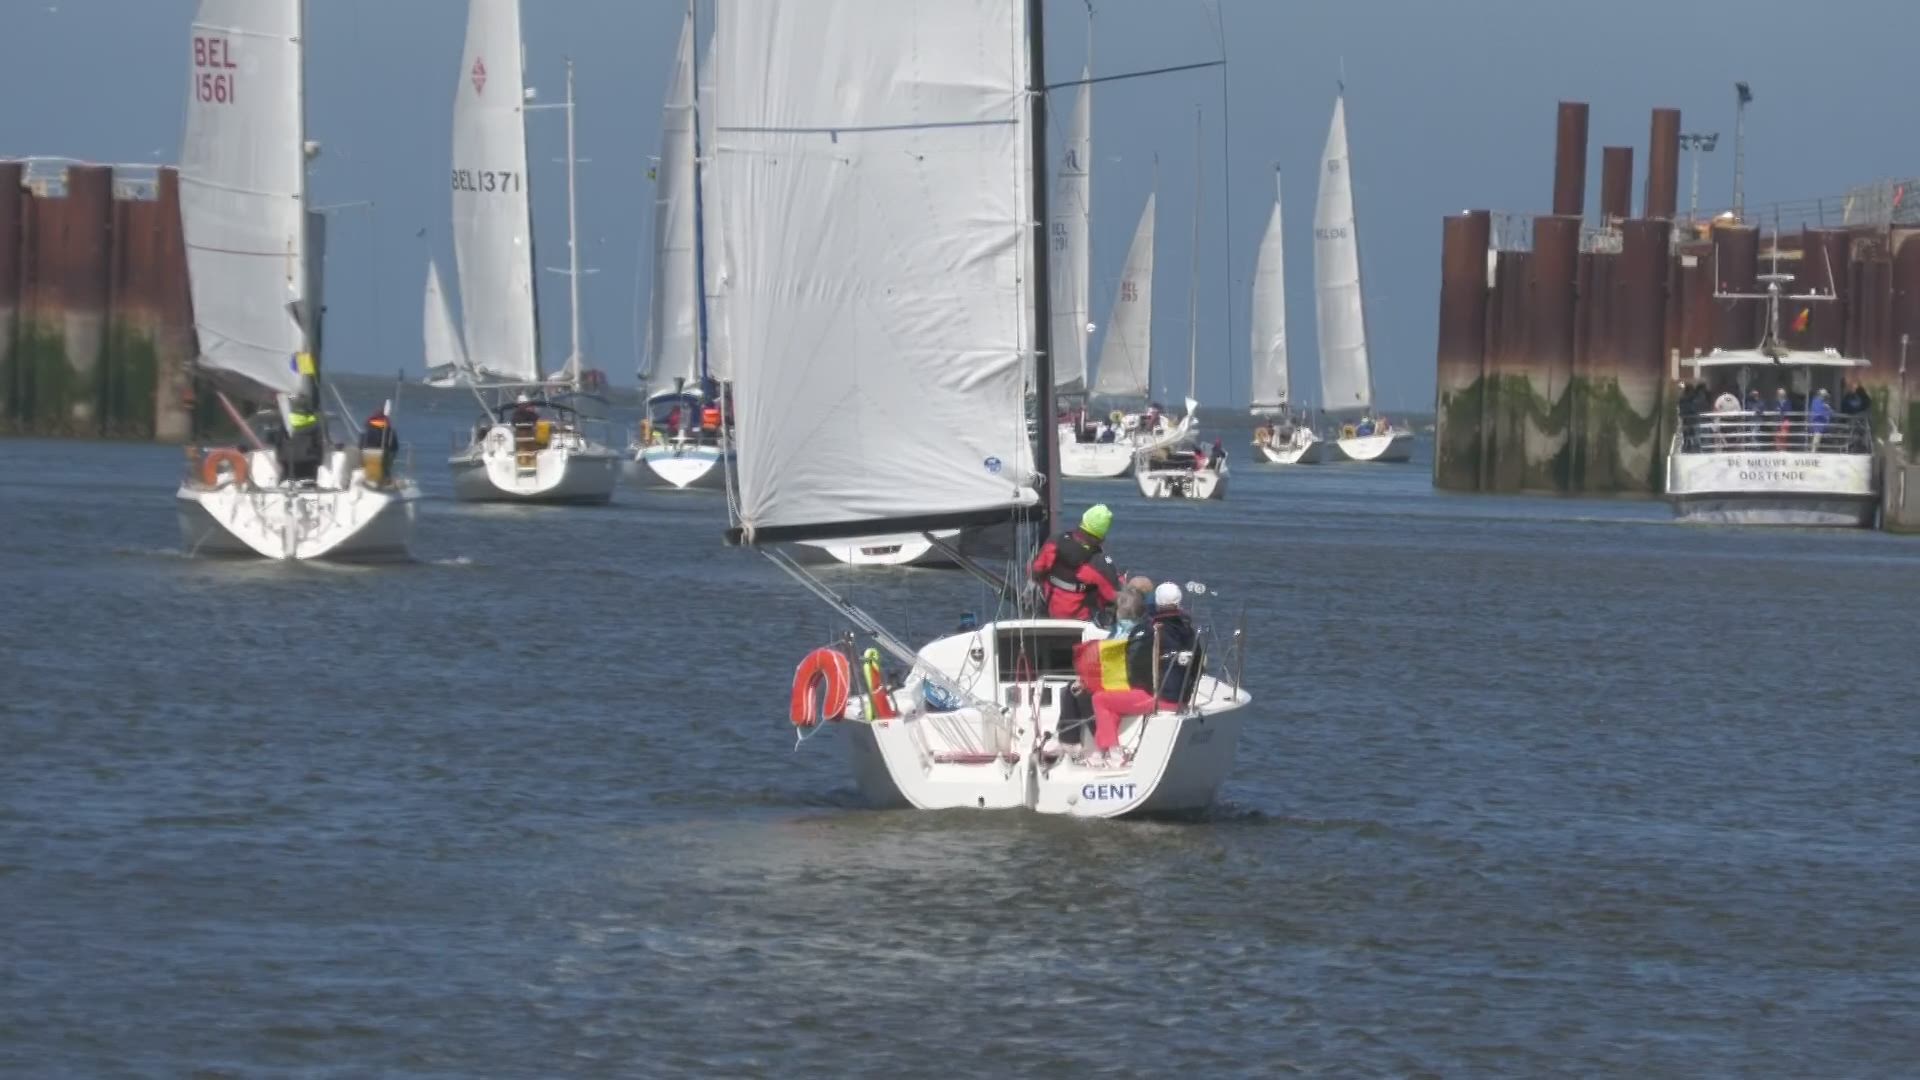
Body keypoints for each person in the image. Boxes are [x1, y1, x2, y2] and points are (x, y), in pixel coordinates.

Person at [1086, 583, 1200, 763]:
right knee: (1112, 705)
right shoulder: (1190, 632)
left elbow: (1134, 665)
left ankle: (1114, 752)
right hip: (1181, 699)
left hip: (1157, 698)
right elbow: (1197, 667)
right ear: (1179, 602)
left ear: (1156, 602)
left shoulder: (1149, 629)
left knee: (1100, 699)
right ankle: (1101, 751)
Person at [1029, 504, 1121, 621]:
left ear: (1082, 523)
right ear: (1101, 538)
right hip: (1082, 621)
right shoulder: (1100, 564)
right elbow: (1112, 597)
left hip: (1050, 611)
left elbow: (1036, 570)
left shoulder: (1055, 541)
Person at [360, 406, 399, 483]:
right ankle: (386, 476)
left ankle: (370, 476)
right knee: (388, 458)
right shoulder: (389, 429)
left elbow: (360, 444)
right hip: (383, 453)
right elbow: (395, 447)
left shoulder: (368, 427)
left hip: (368, 452)